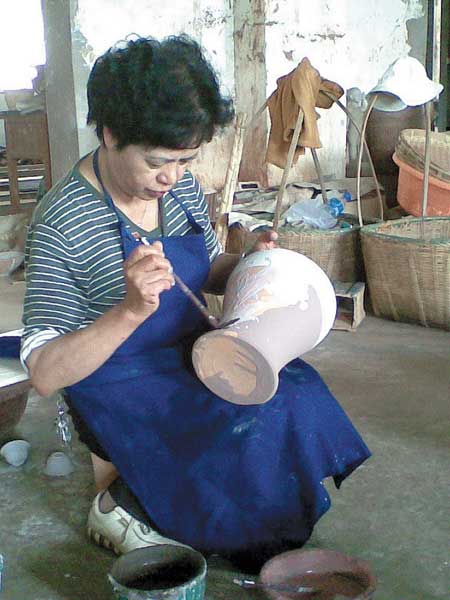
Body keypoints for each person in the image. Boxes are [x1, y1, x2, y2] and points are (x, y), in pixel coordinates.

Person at [21, 34, 370, 573]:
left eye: (187, 160)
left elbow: (205, 269)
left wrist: (254, 265)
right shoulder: (64, 221)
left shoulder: (177, 190)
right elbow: (45, 373)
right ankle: (124, 506)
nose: (173, 177)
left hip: (190, 347)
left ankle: (239, 520)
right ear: (110, 134)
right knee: (244, 424)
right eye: (159, 161)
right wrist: (130, 309)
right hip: (120, 380)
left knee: (293, 392)